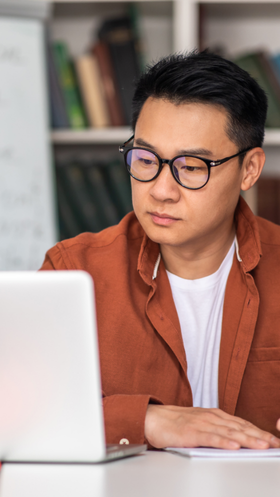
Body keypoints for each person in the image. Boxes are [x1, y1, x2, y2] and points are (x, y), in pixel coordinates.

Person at [41, 51, 280, 451]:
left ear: (250, 170)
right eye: (146, 158)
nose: (160, 191)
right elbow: (16, 414)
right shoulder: (74, 272)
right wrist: (145, 420)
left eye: (190, 167)